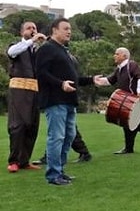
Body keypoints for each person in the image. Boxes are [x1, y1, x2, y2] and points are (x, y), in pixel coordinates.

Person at [35, 17, 95, 185]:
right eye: (65, 28)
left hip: (69, 101)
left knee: (69, 136)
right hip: (55, 101)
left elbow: (74, 79)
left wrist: (92, 80)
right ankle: (53, 175)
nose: (69, 31)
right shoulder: (46, 49)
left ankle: (60, 171)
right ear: (54, 30)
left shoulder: (64, 51)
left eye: (70, 29)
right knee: (57, 137)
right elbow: (41, 74)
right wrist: (60, 84)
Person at [95, 47, 140, 154]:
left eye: (117, 54)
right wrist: (96, 81)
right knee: (128, 124)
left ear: (124, 56)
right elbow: (109, 80)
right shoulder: (119, 69)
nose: (114, 56)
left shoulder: (132, 65)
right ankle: (129, 148)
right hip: (129, 102)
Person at [6, 21, 46, 173]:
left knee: (32, 125)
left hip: (34, 91)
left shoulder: (36, 50)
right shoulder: (16, 46)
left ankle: (24, 161)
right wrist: (32, 41)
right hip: (19, 91)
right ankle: (14, 160)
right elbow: (11, 53)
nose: (32, 30)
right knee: (18, 125)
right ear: (21, 32)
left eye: (35, 28)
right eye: (29, 28)